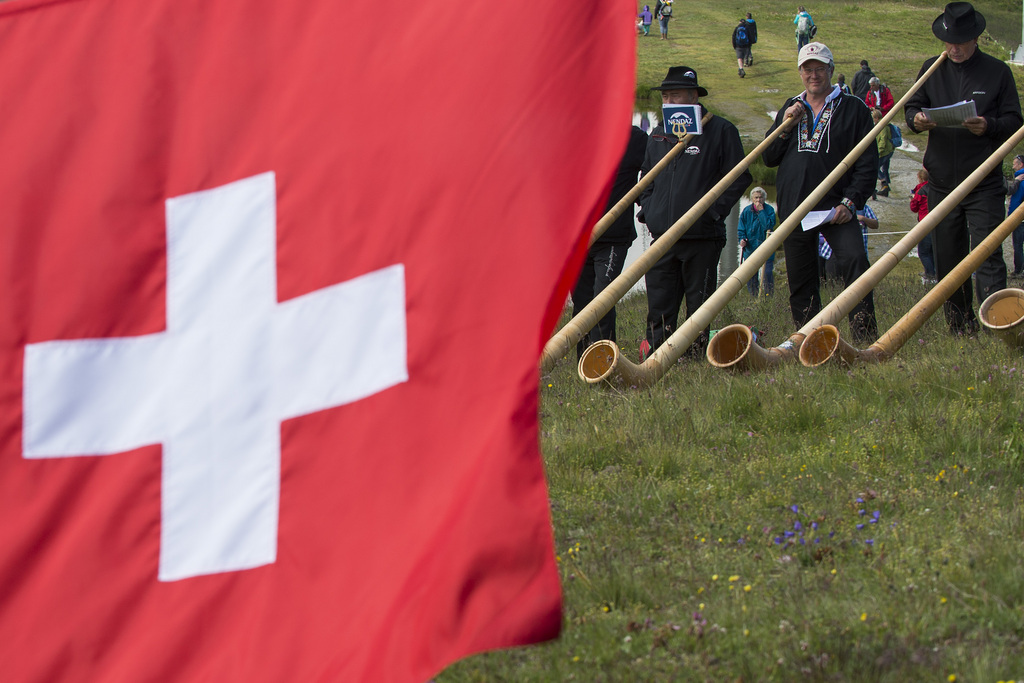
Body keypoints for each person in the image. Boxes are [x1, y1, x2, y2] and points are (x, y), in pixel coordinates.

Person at [905, 2, 1023, 335]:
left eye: (961, 41)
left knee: (987, 255)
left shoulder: (998, 72)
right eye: (949, 40)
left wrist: (988, 125)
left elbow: (1015, 122)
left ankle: (998, 327)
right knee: (948, 261)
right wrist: (916, 119)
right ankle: (960, 328)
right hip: (940, 183)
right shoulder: (931, 68)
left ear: (975, 38)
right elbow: (911, 106)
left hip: (983, 182)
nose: (954, 48)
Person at [763, 42, 878, 342]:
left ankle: (864, 336)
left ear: (831, 70)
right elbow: (768, 157)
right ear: (800, 72)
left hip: (835, 208)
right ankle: (810, 340)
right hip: (794, 209)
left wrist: (850, 204)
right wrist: (786, 124)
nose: (813, 75)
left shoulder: (854, 109)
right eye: (807, 69)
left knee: (855, 261)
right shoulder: (791, 107)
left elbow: (867, 164)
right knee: (801, 280)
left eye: (819, 69)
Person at [637, 66, 751, 359]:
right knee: (659, 307)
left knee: (698, 308)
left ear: (694, 96)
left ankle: (695, 362)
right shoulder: (659, 132)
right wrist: (649, 210)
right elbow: (647, 175)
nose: (670, 102)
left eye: (676, 95)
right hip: (662, 239)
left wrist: (712, 213)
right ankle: (657, 362)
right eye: (666, 96)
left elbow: (739, 178)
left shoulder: (721, 130)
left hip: (702, 237)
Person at [572, 126, 648, 358]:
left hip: (613, 237)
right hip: (577, 240)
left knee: (602, 299)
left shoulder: (634, 138)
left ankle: (604, 359)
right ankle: (583, 359)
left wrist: (645, 202)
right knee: (582, 302)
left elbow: (655, 171)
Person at [738, 187, 777, 296]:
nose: (758, 200)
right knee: (751, 275)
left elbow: (768, 225)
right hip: (750, 248)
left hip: (766, 247)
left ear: (764, 198)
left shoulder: (769, 210)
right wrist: (742, 239)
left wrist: (761, 211)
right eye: (756, 197)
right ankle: (753, 298)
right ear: (752, 199)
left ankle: (769, 297)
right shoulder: (746, 211)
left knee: (767, 273)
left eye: (760, 197)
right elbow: (741, 228)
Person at [910, 168, 938, 282]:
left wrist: (912, 199)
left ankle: (930, 275)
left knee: (923, 252)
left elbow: (914, 208)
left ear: (920, 179)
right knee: (933, 250)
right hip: (937, 221)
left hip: (925, 224)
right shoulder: (936, 189)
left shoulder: (920, 191)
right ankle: (934, 272)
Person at [1006, 154, 1024, 277]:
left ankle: (1018, 270)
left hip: (1019, 217)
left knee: (1017, 244)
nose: (1013, 166)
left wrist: (1011, 215)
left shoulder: (1020, 179)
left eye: (1014, 164)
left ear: (1021, 164)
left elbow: (1016, 199)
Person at [872, 108, 894, 197]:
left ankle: (884, 184)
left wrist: (878, 151)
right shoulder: (883, 124)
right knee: (885, 169)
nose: (873, 120)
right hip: (889, 151)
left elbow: (883, 141)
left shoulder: (883, 126)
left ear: (877, 118)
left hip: (885, 152)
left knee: (875, 167)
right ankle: (885, 190)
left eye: (873, 118)